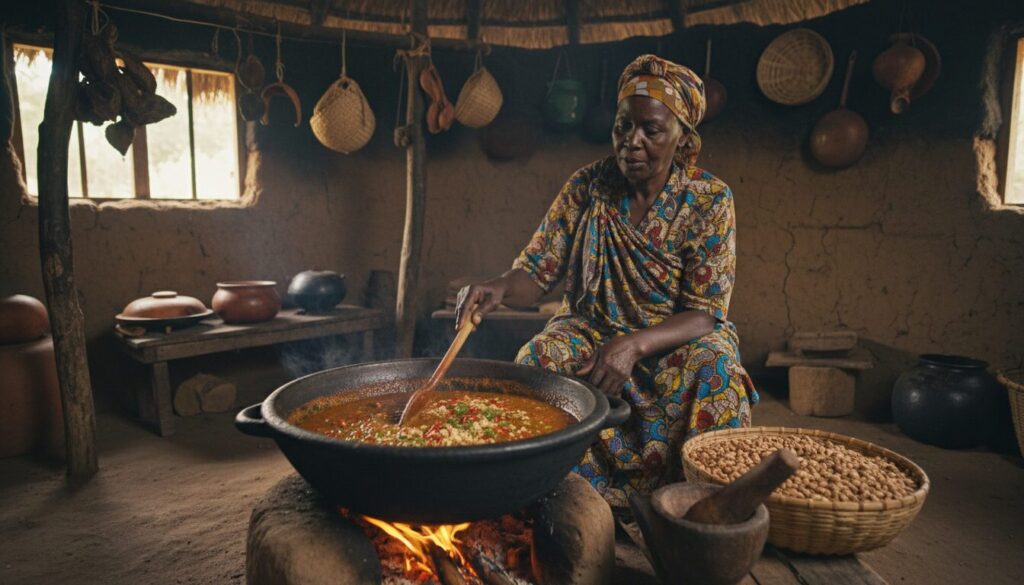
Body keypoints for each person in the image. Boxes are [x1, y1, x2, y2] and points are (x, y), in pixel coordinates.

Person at [455, 54, 757, 508]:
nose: (632, 141)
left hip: (671, 341)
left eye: (651, 130)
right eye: (623, 126)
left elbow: (705, 313)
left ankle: (699, 509)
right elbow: (536, 273)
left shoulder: (708, 199)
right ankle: (564, 498)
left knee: (718, 372)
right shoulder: (588, 187)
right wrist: (497, 287)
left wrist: (633, 345)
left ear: (681, 137)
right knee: (538, 360)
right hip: (590, 332)